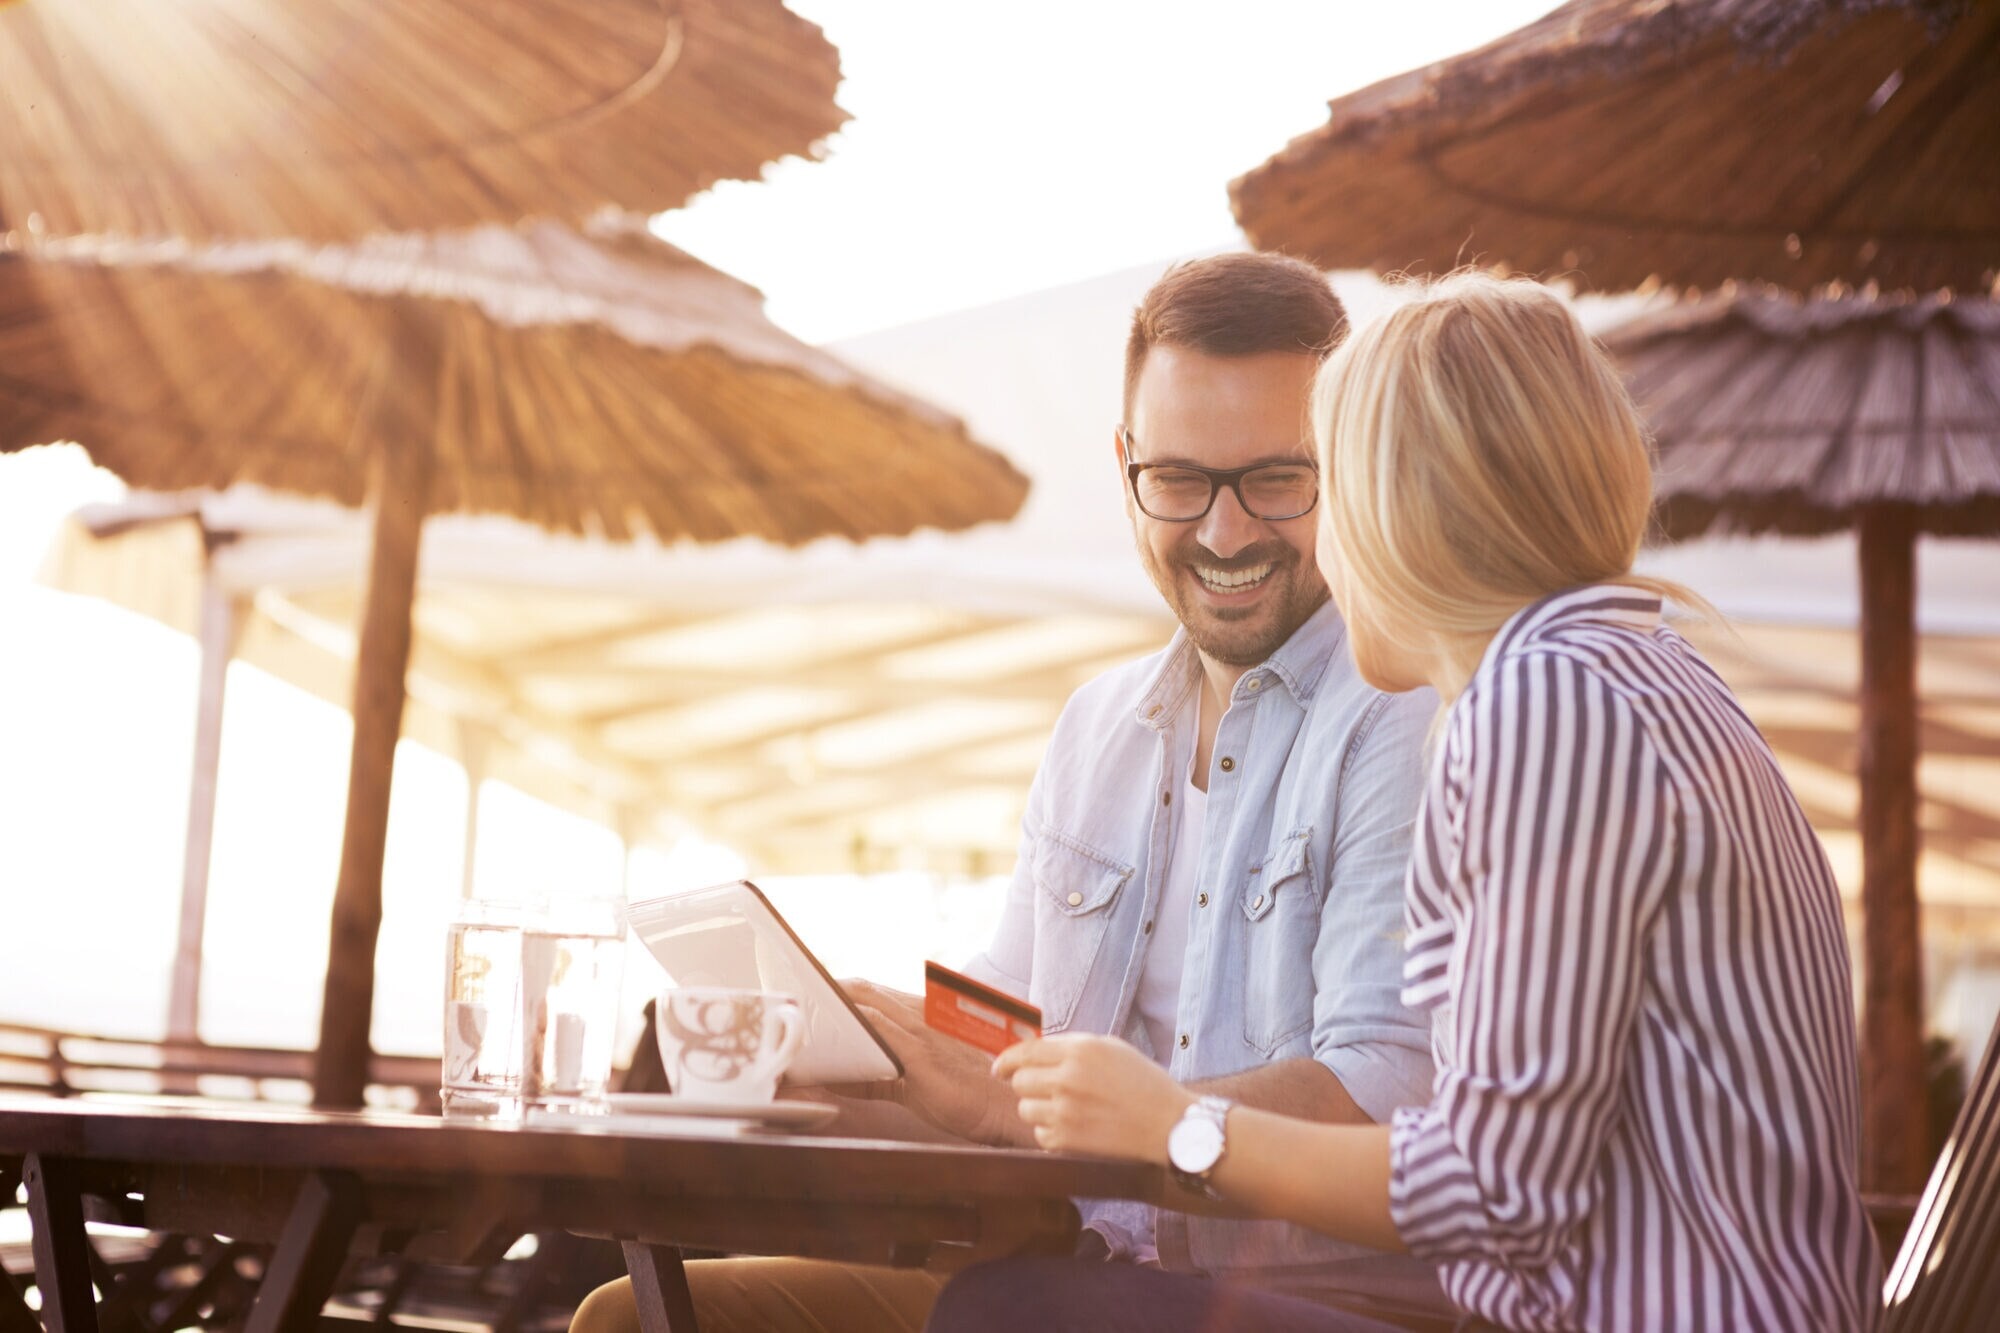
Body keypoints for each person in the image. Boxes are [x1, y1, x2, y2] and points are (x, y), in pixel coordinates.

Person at [932, 272, 1885, 1333]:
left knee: (1012, 1312)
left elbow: (1495, 1196)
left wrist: (1174, 1126)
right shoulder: (1623, 676)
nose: (1282, 538)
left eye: (1315, 484)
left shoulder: (1540, 708)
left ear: (1403, 501)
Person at [571, 253, 1444, 1333]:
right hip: (1069, 1275)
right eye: (1178, 481)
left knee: (1004, 1312)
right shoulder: (1096, 728)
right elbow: (1003, 1018)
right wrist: (865, 1052)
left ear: (1346, 470)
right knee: (640, 1320)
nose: (1225, 533)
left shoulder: (1401, 716)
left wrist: (1017, 1109)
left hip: (1313, 1303)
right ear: (1124, 466)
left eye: (1277, 478)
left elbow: (1383, 1089)